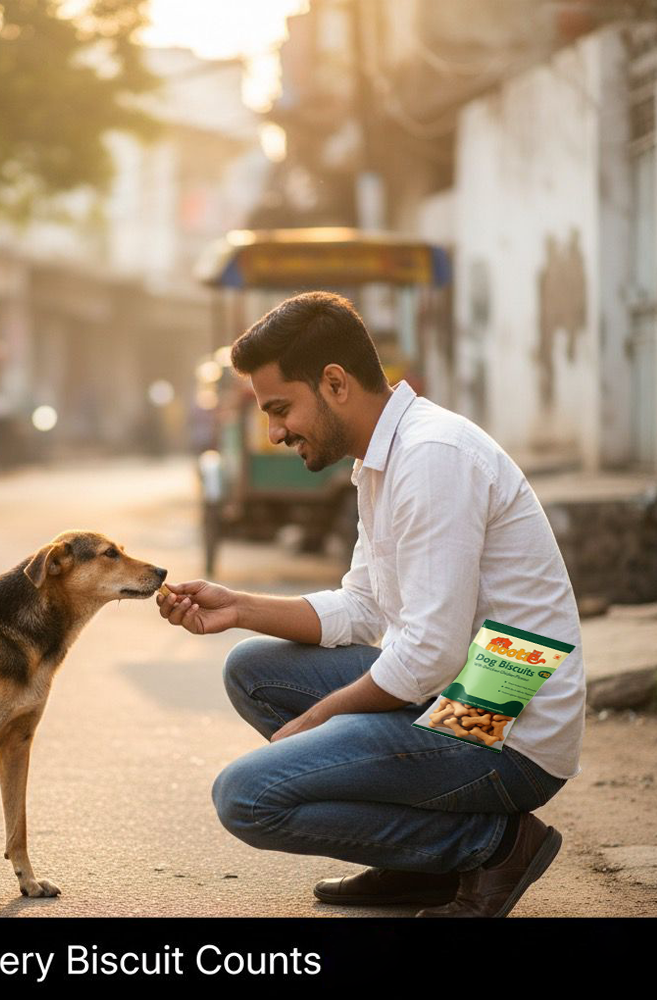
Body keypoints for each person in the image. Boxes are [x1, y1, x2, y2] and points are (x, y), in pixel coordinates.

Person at [156, 291, 584, 918]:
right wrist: (238, 607)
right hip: (460, 685)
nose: (273, 433)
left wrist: (319, 719)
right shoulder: (382, 459)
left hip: (506, 718)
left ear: (334, 383)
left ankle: (491, 846)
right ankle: (418, 864)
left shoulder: (432, 457)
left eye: (280, 409)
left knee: (246, 796)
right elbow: (363, 606)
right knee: (252, 669)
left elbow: (428, 652)